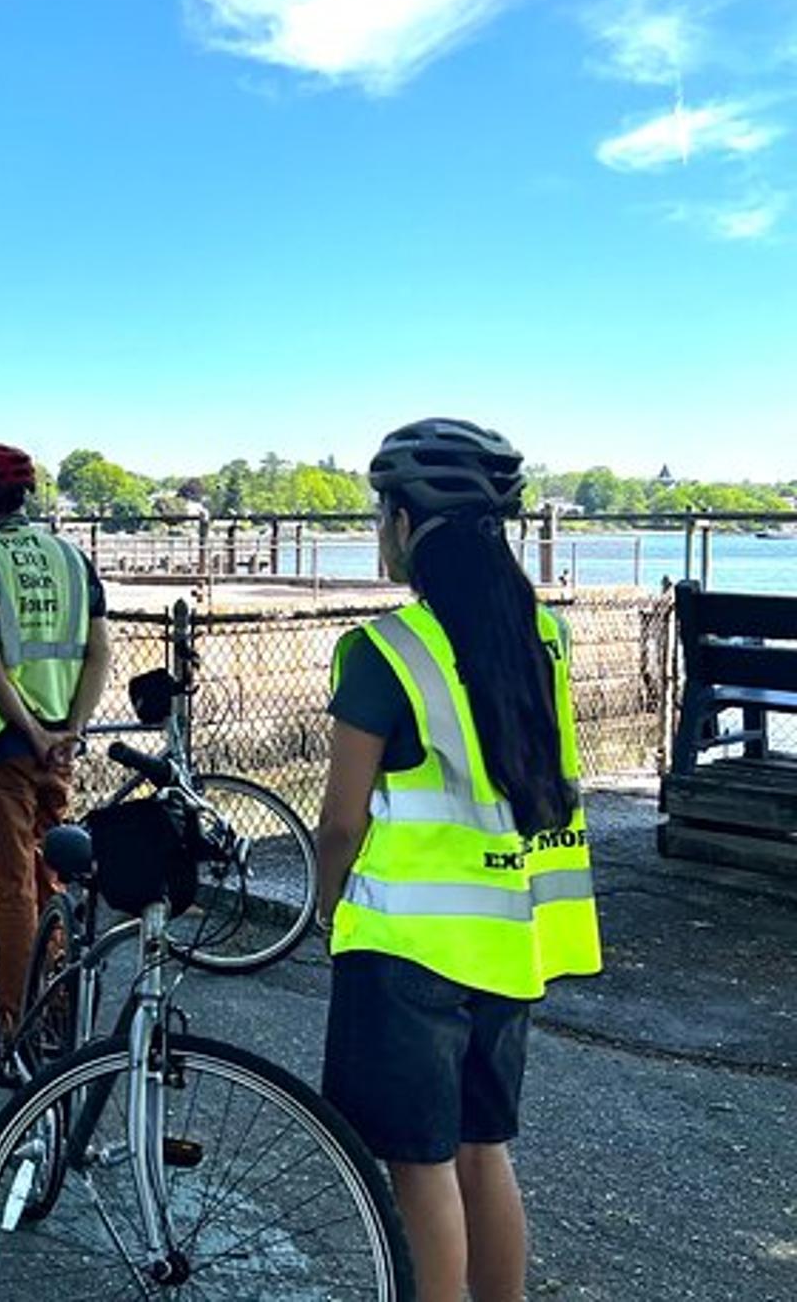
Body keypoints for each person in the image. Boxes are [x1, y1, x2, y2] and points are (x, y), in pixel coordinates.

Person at [316, 418, 602, 1302]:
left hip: (407, 945)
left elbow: (338, 821)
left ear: (405, 522)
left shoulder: (384, 650)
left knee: (420, 1164)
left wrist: (329, 906)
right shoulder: (540, 636)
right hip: (511, 939)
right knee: (485, 1149)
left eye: (379, 514)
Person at [0, 444, 112, 1067]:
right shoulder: (73, 560)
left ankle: (13, 1031)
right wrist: (70, 730)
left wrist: (32, 733)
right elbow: (99, 653)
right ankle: (59, 1012)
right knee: (51, 880)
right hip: (58, 745)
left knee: (11, 891)